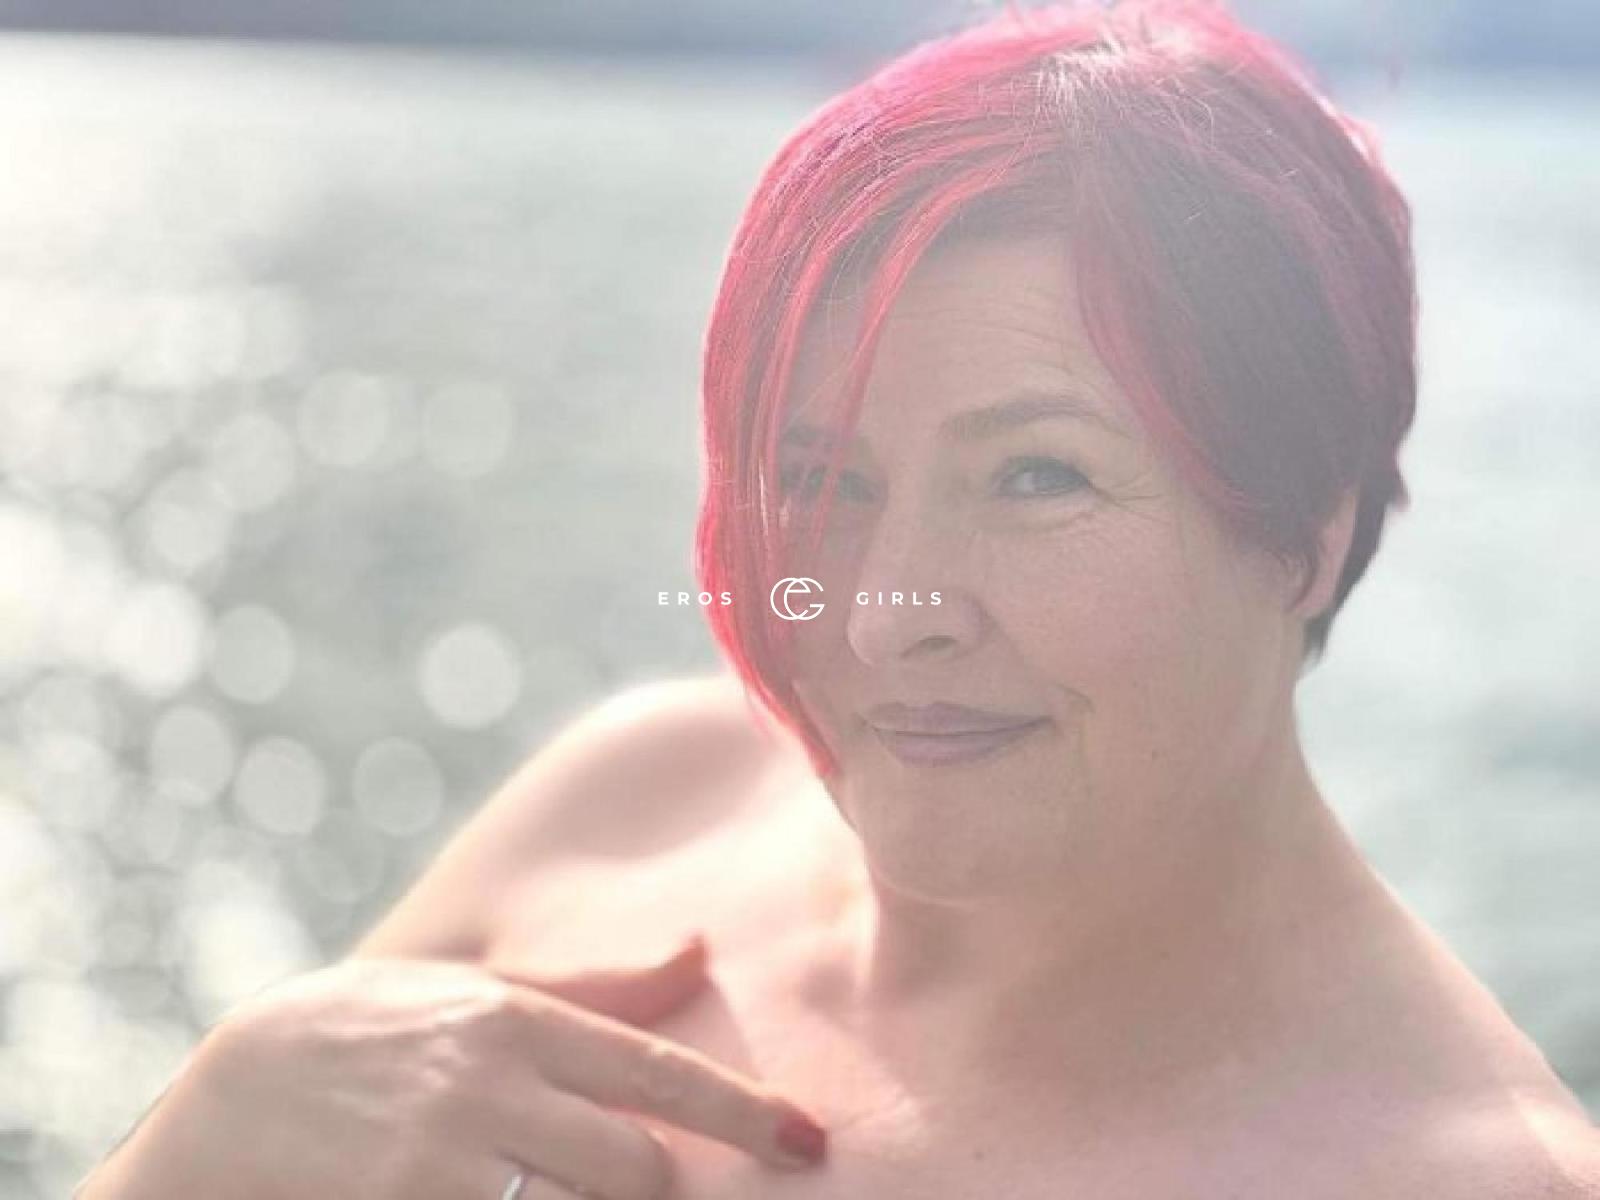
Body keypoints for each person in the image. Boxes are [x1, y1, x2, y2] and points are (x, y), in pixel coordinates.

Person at [77, 2, 1599, 1198]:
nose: (878, 614)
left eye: (1037, 477)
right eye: (819, 474)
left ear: (1303, 536)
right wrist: (197, 1142)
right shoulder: (636, 799)